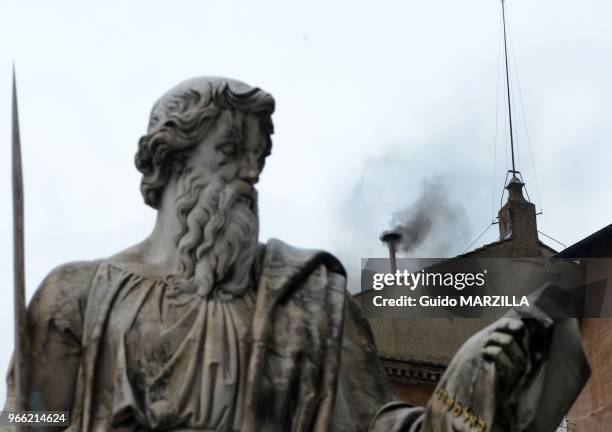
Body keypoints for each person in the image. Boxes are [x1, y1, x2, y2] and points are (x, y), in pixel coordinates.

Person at [4, 77, 558, 431]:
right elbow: (36, 417)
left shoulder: (310, 298)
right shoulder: (75, 300)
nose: (250, 174)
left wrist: (466, 385)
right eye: (229, 152)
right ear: (168, 161)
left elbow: (378, 428)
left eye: (259, 159)